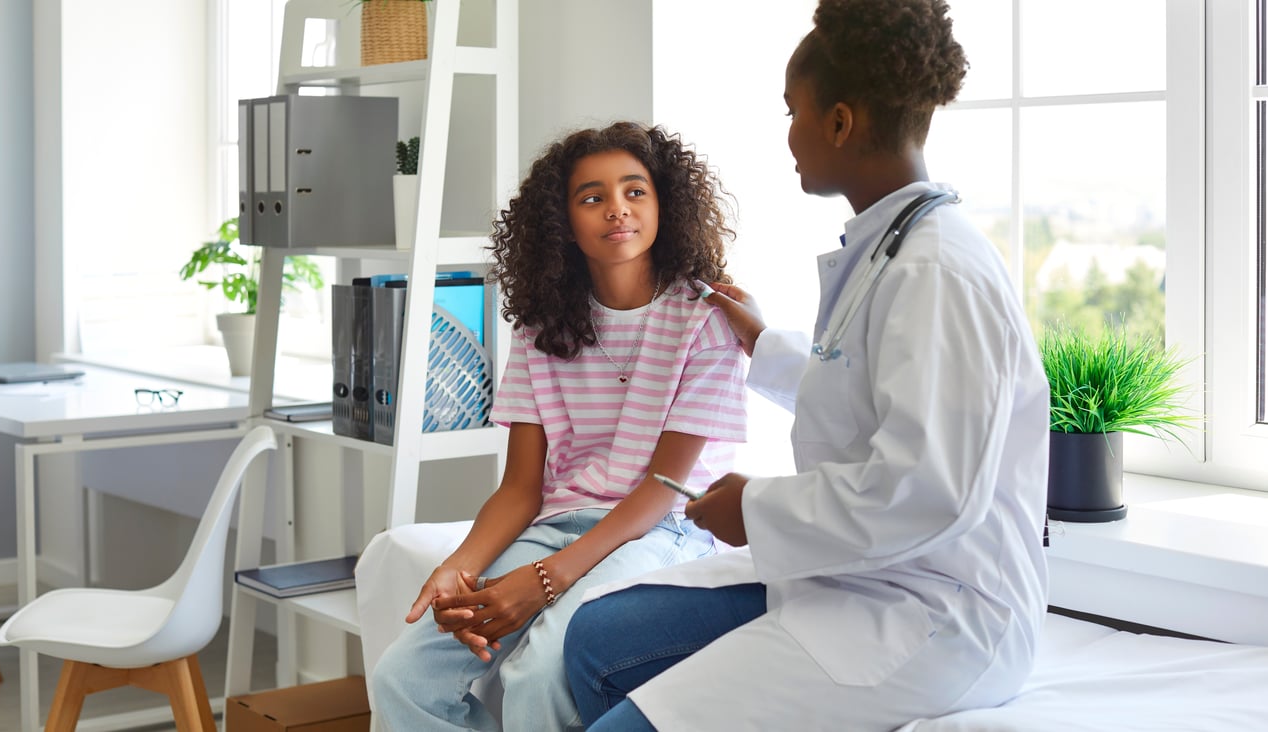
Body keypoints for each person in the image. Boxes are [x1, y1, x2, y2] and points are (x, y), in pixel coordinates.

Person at [563, 1, 1051, 730]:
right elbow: (867, 392)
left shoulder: (937, 271)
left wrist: (752, 508)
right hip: (863, 571)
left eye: (793, 111)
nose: (788, 132)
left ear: (840, 123)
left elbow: (924, 493)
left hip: (936, 613)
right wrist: (766, 343)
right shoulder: (889, 247)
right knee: (595, 642)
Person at [370, 121, 749, 732]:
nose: (617, 210)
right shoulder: (543, 326)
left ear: (664, 203)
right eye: (592, 197)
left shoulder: (706, 319)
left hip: (664, 530)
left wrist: (544, 580)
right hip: (560, 523)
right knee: (402, 677)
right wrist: (457, 569)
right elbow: (521, 487)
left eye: (635, 191)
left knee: (540, 671)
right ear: (563, 222)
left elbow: (664, 488)